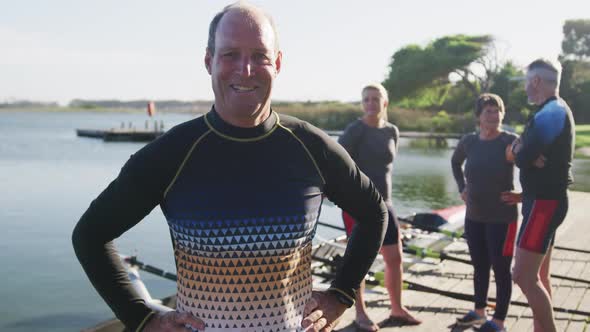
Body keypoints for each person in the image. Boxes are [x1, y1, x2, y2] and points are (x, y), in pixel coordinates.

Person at [72, 3, 388, 332]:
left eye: (260, 56)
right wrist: (142, 317)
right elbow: (90, 236)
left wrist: (339, 295)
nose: (246, 69)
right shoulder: (173, 153)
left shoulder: (311, 147)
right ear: (209, 61)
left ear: (277, 63)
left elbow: (374, 212)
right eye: (230, 54)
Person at [338, 83, 421, 331]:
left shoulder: (392, 131)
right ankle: (361, 314)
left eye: (376, 99)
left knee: (395, 258)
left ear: (385, 102)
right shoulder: (355, 131)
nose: (371, 104)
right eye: (366, 100)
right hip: (359, 206)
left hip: (386, 204)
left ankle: (397, 308)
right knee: (360, 261)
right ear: (362, 104)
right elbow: (336, 163)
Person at [509, 59, 575, 332]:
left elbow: (521, 156)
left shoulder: (552, 113)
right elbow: (525, 153)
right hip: (543, 202)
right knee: (539, 276)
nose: (525, 87)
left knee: (523, 276)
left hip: (544, 207)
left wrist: (521, 150)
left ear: (536, 81)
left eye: (527, 81)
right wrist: (523, 150)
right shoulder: (552, 110)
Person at [451, 93, 520, 332]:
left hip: (502, 218)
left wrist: (521, 195)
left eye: (497, 110)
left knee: (501, 269)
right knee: (479, 265)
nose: (493, 115)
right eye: (488, 111)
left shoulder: (510, 141)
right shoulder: (469, 141)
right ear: (478, 116)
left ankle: (499, 321)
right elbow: (455, 163)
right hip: (474, 217)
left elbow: (535, 168)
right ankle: (479, 312)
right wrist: (462, 187)